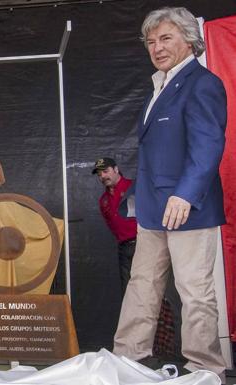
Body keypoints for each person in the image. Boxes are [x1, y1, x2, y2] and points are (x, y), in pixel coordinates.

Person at [112, 6, 227, 381]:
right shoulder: (158, 86)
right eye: (151, 41)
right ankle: (127, 359)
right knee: (142, 286)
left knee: (195, 292)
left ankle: (205, 369)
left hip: (187, 208)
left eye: (166, 38)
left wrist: (185, 195)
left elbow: (208, 145)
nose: (157, 47)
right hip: (152, 210)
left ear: (189, 40)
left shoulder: (202, 82)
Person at [92, 157, 137, 297]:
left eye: (105, 171)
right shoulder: (103, 200)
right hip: (124, 248)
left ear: (116, 170)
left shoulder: (134, 187)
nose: (103, 176)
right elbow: (112, 225)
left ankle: (164, 319)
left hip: (144, 243)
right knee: (128, 291)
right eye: (99, 174)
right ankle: (133, 319)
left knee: (152, 286)